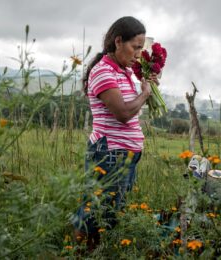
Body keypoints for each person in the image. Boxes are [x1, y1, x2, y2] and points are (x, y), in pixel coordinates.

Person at [72, 16, 157, 250]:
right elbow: (122, 113)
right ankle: (76, 253)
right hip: (109, 153)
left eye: (141, 48)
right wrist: (145, 95)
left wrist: (146, 87)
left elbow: (132, 106)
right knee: (94, 209)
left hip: (124, 154)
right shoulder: (103, 72)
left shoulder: (124, 72)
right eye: (136, 47)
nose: (139, 53)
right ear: (118, 41)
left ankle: (93, 252)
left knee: (108, 211)